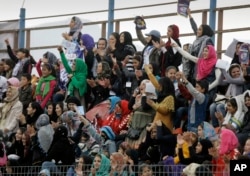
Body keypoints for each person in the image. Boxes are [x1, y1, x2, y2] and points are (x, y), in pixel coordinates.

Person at [144, 65, 176, 132]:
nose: (159, 87)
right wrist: (148, 71)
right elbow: (155, 83)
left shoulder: (170, 98)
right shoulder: (162, 95)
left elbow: (164, 111)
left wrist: (153, 104)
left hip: (165, 128)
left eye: (161, 85)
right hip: (157, 125)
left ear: (165, 86)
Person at [58, 46, 88, 111]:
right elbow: (66, 64)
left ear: (79, 66)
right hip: (70, 98)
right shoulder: (72, 73)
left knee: (79, 117)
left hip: (78, 101)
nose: (72, 65)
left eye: (74, 64)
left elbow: (78, 85)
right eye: (72, 64)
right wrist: (61, 52)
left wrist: (72, 77)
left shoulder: (82, 76)